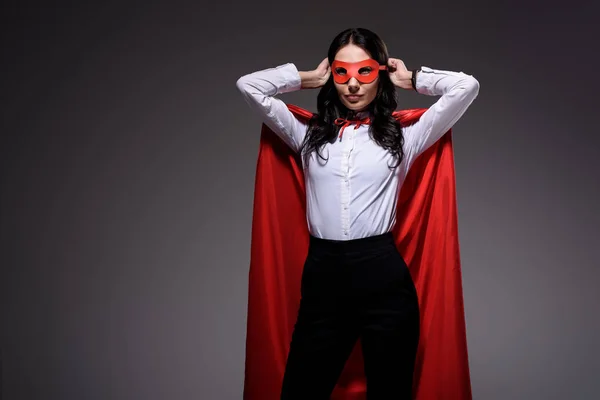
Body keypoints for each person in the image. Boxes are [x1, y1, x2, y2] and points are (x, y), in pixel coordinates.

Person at [236, 27, 479, 400]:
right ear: (331, 75)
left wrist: (413, 78)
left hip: (383, 279)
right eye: (340, 72)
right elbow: (249, 86)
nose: (352, 84)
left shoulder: (405, 137)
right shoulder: (306, 134)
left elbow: (466, 87)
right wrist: (305, 78)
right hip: (323, 280)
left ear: (379, 73)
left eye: (364, 72)